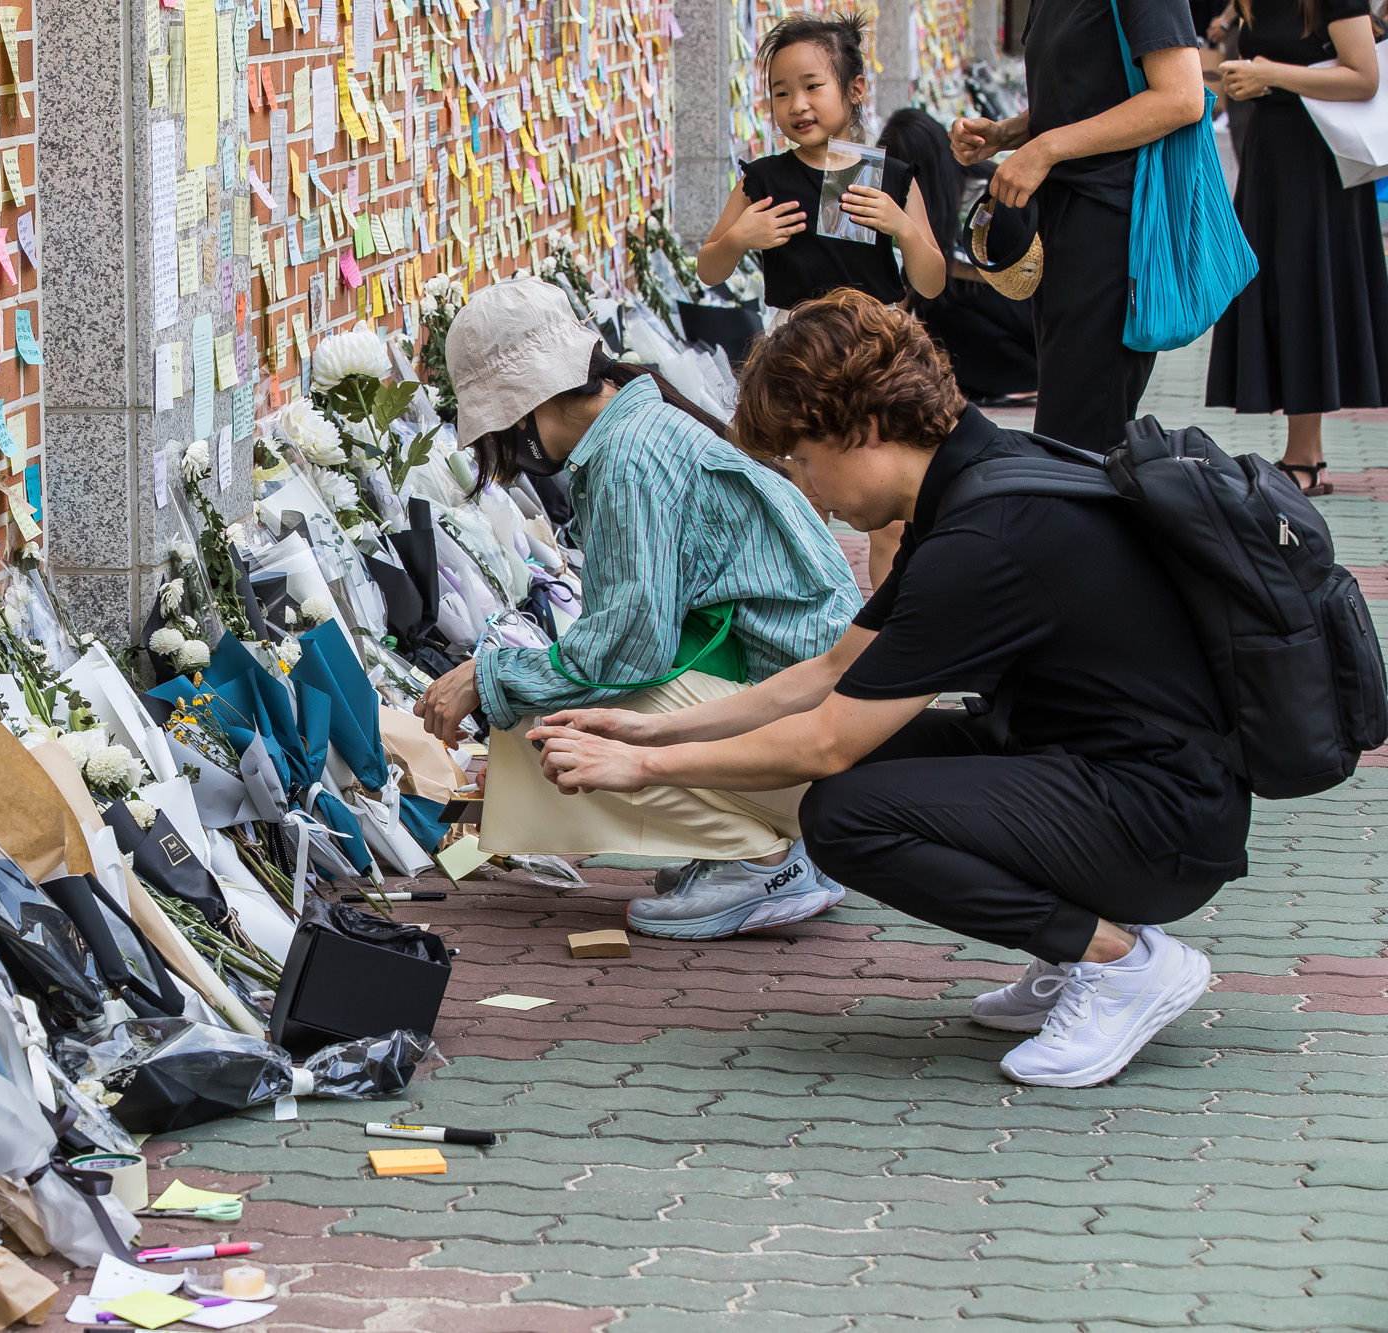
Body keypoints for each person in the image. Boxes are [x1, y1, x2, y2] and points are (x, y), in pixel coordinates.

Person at [528, 291, 1247, 1088]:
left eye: (802, 456)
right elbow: (832, 670)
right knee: (862, 774)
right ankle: (1070, 947)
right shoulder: (976, 481)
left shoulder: (984, 537)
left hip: (1162, 821)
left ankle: (1119, 959)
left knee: (844, 815)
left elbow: (828, 737)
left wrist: (644, 772)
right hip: (1122, 775)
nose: (805, 484)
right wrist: (647, 732)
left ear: (864, 429)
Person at [413, 275, 862, 941]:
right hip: (824, 731)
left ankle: (762, 857)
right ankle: (749, 844)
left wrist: (489, 675)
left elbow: (630, 648)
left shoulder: (629, 458)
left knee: (555, 712)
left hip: (812, 747)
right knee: (547, 685)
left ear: (526, 404)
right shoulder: (643, 421)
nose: (504, 460)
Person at [950, 0, 1207, 451]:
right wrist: (1008, 134)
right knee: (1067, 430)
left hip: (1114, 224)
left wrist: (1046, 149)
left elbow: (1180, 98)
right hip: (1062, 220)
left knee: (1080, 435)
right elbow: (1090, 93)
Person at [1204, 0, 1386, 495]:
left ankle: (1305, 456)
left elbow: (1364, 76)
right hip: (1271, 152)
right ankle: (1303, 453)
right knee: (1280, 295)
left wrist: (1273, 75)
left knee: (1305, 291)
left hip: (1320, 161)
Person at [697, 15, 948, 313]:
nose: (797, 105)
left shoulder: (892, 177)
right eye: (781, 93)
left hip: (876, 343)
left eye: (812, 86)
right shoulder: (762, 179)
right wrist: (738, 239)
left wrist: (903, 228)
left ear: (855, 89)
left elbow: (932, 285)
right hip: (797, 347)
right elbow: (708, 272)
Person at [877, 109, 1039, 406]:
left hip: (1024, 324)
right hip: (1024, 325)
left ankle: (1012, 378)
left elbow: (1021, 273)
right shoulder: (956, 190)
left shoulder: (986, 197)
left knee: (938, 287)